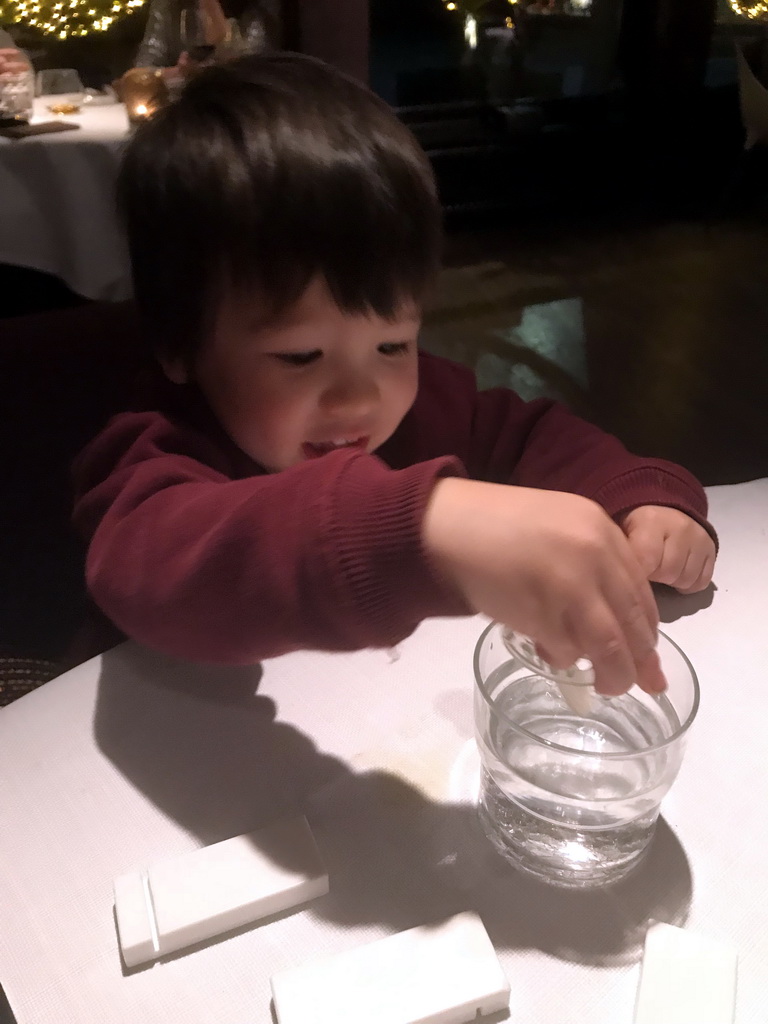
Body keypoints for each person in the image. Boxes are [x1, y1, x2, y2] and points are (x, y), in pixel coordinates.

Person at [72, 53, 717, 698]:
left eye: (392, 344)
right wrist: (421, 530)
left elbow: (532, 439)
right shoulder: (158, 444)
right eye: (300, 356)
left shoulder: (429, 402)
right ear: (179, 344)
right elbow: (151, 568)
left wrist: (643, 498)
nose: (361, 396)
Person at [134, 0, 277, 80]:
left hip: (240, 110)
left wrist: (211, 7)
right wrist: (177, 72)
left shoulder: (255, 8)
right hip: (183, 109)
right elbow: (142, 69)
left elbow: (251, 67)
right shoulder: (169, 5)